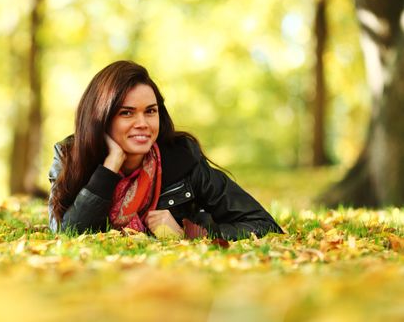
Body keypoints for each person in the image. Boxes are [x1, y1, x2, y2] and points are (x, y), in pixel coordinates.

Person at [48, 60, 283, 240]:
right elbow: (66, 235)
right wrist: (110, 167)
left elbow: (264, 225)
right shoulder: (70, 157)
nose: (143, 123)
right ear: (101, 118)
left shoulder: (181, 159)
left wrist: (188, 233)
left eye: (150, 111)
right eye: (126, 113)